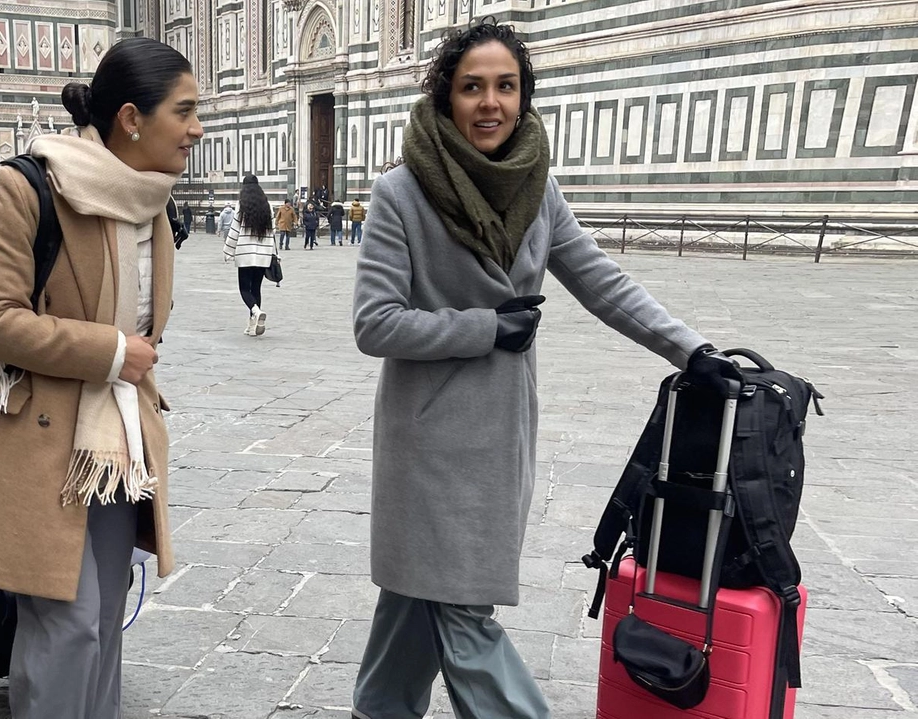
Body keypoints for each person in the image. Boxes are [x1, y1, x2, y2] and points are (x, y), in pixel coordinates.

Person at [349, 19, 742, 719]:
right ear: (447, 96)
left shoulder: (538, 185)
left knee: (417, 596)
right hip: (427, 444)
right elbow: (374, 322)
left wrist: (692, 349)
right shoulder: (401, 193)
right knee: (463, 612)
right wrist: (483, 328)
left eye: (506, 86)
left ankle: (379, 707)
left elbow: (601, 280)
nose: (490, 103)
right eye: (472, 87)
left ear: (524, 96)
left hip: (501, 435)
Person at [0, 37, 200, 719]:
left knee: (106, 615)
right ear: (131, 118)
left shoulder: (152, 203)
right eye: (186, 110)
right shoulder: (27, 188)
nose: (198, 127)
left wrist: (125, 365)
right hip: (35, 438)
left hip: (112, 439)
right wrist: (112, 352)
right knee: (69, 622)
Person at [223, 175, 275, 337]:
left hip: (245, 254)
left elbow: (235, 229)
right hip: (262, 255)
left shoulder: (242, 205)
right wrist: (272, 252)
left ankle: (255, 312)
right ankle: (252, 325)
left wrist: (228, 250)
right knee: (256, 289)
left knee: (244, 289)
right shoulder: (268, 206)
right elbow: (272, 232)